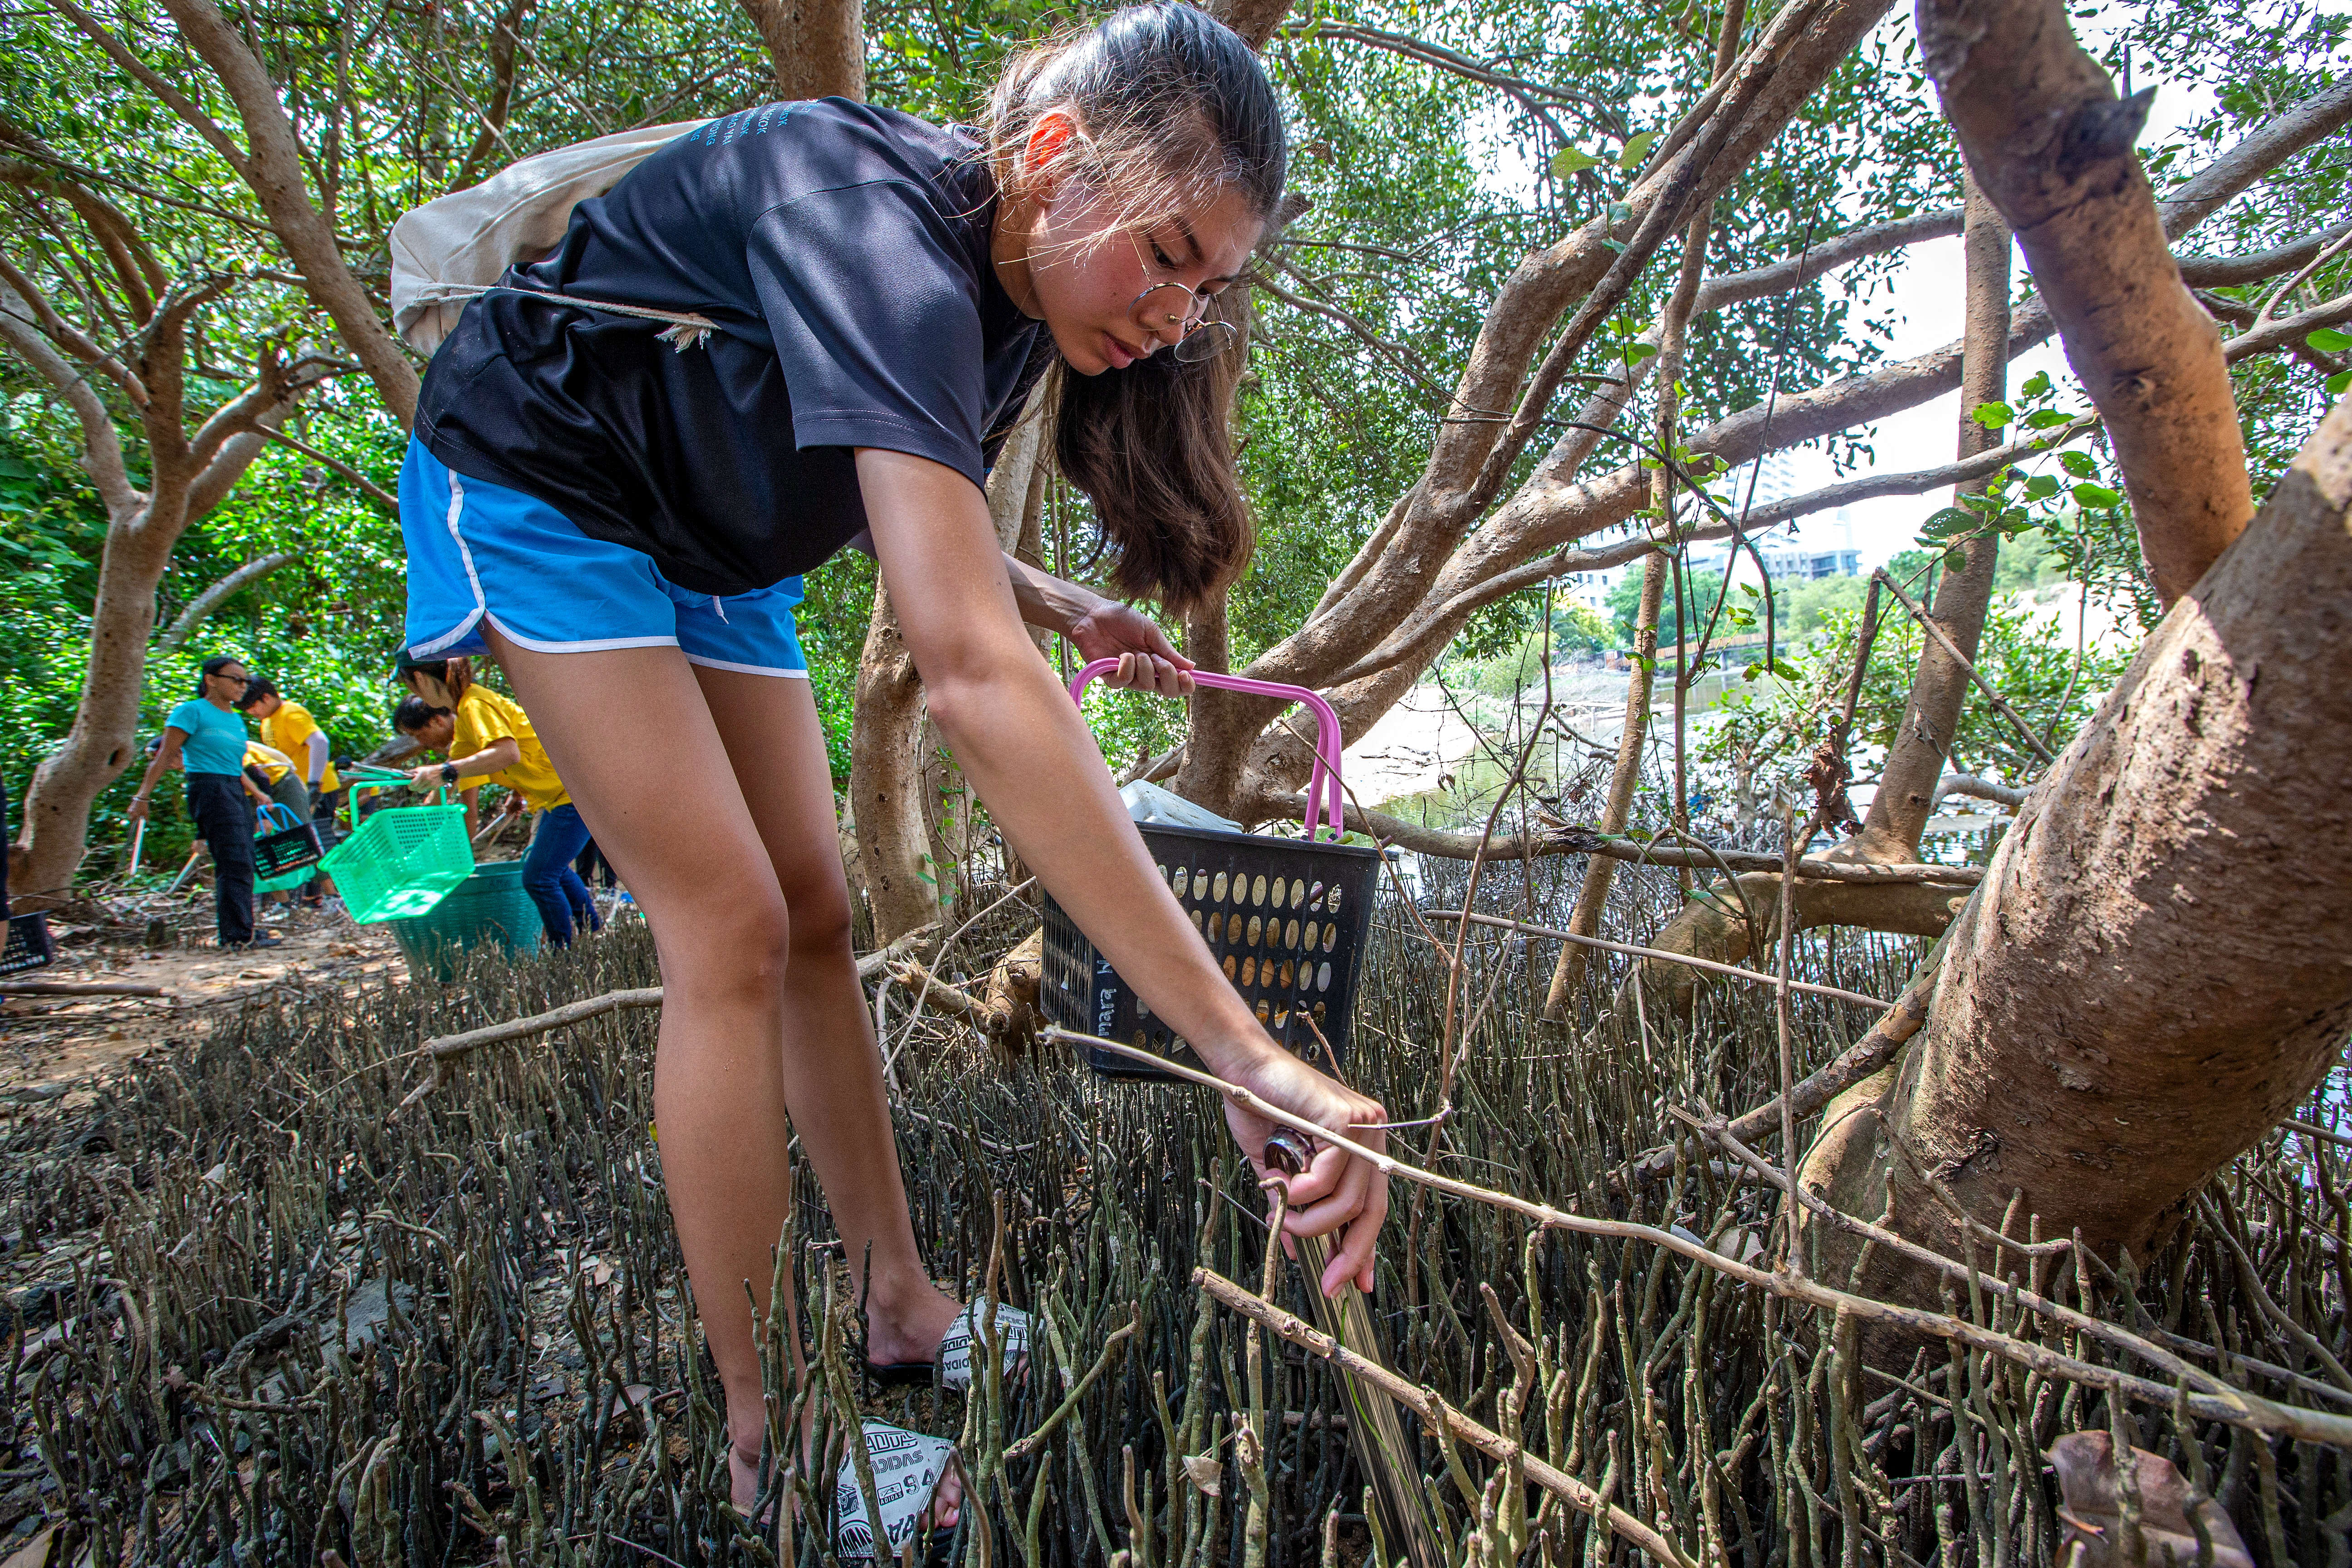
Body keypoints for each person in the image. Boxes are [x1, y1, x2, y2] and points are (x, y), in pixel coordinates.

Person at [395, 3, 1387, 1528]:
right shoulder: (859, 205)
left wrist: (1048, 595)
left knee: (816, 912)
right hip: (544, 475)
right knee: (723, 923)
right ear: (1054, 157)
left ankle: (899, 1302)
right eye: (1170, 254)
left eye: (1212, 285)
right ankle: (770, 1441)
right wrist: (1241, 1048)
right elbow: (969, 671)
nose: (1179, 314)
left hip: (713, 542)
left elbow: (900, 493)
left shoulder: (1005, 301)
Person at [391, 658, 603, 946]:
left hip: (574, 793)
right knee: (550, 868)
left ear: (423, 680)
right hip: (557, 797)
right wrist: (406, 842)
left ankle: (563, 955)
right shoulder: (465, 721)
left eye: (408, 683)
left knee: (538, 877)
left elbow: (508, 753)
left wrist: (444, 772)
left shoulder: (474, 704)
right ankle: (593, 934)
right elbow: (450, 791)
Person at [127, 656, 281, 949]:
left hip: (233, 789)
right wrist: (142, 796)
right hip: (208, 787)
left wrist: (258, 794)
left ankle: (242, 929)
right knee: (233, 859)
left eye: (245, 681)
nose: (242, 686)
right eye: (235, 680)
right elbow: (164, 757)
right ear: (211, 680)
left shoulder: (236, 720)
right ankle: (236, 936)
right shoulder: (190, 712)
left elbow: (236, 767)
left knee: (245, 858)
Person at [238, 676, 343, 822]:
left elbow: (320, 742)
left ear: (266, 698)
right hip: (298, 791)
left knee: (319, 838)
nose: (250, 712)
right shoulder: (267, 721)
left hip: (318, 789)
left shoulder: (290, 714)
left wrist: (314, 785)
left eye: (252, 706)